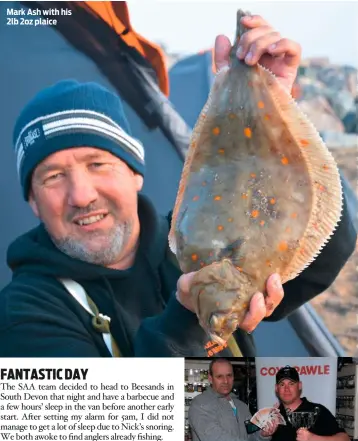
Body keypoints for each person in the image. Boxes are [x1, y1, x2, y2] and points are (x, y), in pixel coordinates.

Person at [0, 14, 356, 357]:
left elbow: (327, 245)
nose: (81, 195)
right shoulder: (25, 312)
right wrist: (192, 313)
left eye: (98, 164)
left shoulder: (190, 238)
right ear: (32, 200)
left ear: (135, 172)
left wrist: (278, 103)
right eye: (53, 177)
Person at [188, 358, 278, 441]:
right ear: (210, 378)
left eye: (229, 375)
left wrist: (263, 434)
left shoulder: (242, 406)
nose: (226, 381)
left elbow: (251, 436)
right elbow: (215, 438)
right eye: (219, 376)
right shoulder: (200, 404)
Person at [272, 366, 350, 441]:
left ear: (299, 386)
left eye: (291, 384)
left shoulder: (317, 411)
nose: (286, 389)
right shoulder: (273, 415)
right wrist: (263, 437)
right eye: (282, 384)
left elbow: (345, 439)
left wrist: (313, 438)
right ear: (276, 388)